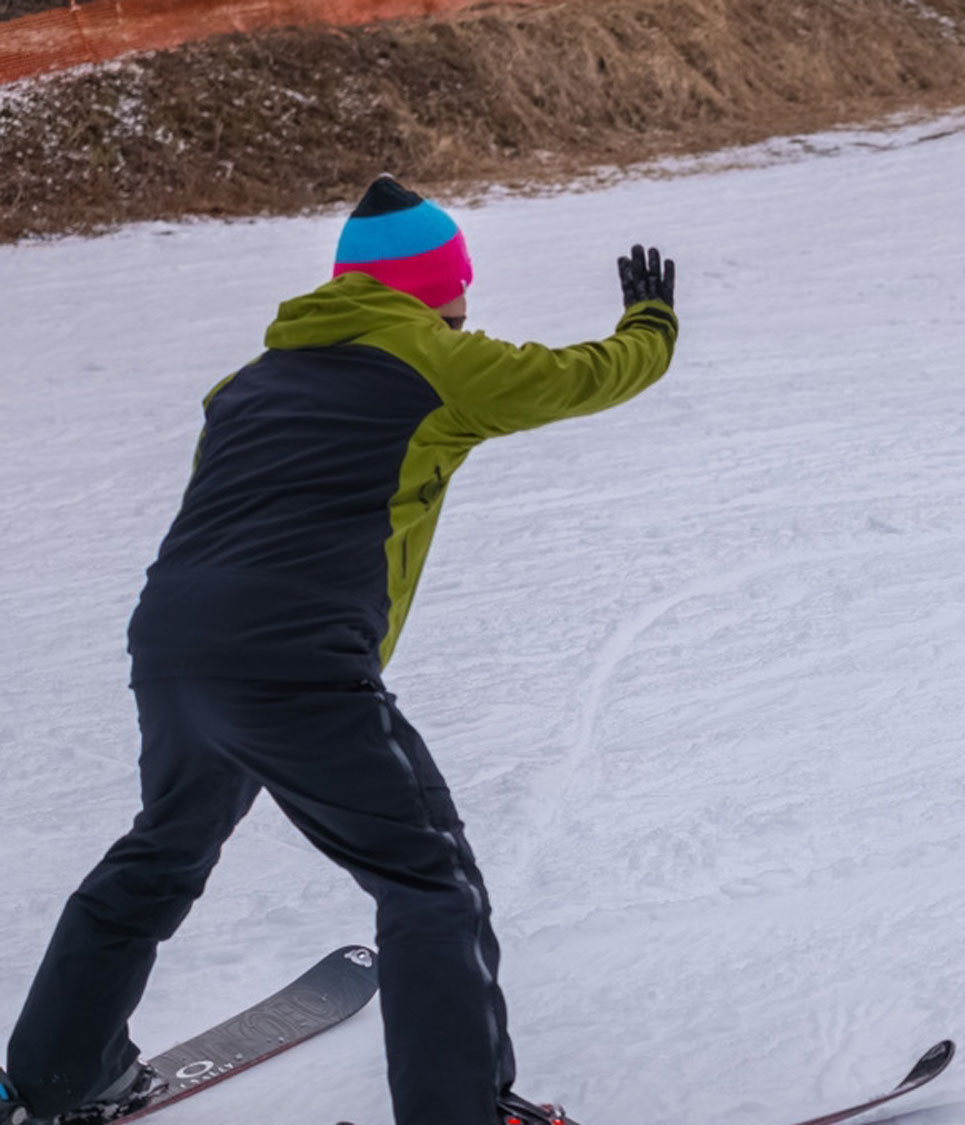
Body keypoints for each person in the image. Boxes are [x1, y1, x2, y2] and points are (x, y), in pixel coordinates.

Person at [0, 175, 678, 1125]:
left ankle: (54, 1077)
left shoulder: (245, 383)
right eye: (457, 286)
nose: (464, 303)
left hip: (173, 644)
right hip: (296, 662)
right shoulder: (437, 358)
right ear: (432, 287)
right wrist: (652, 324)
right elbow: (580, 377)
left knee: (164, 849)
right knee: (427, 878)